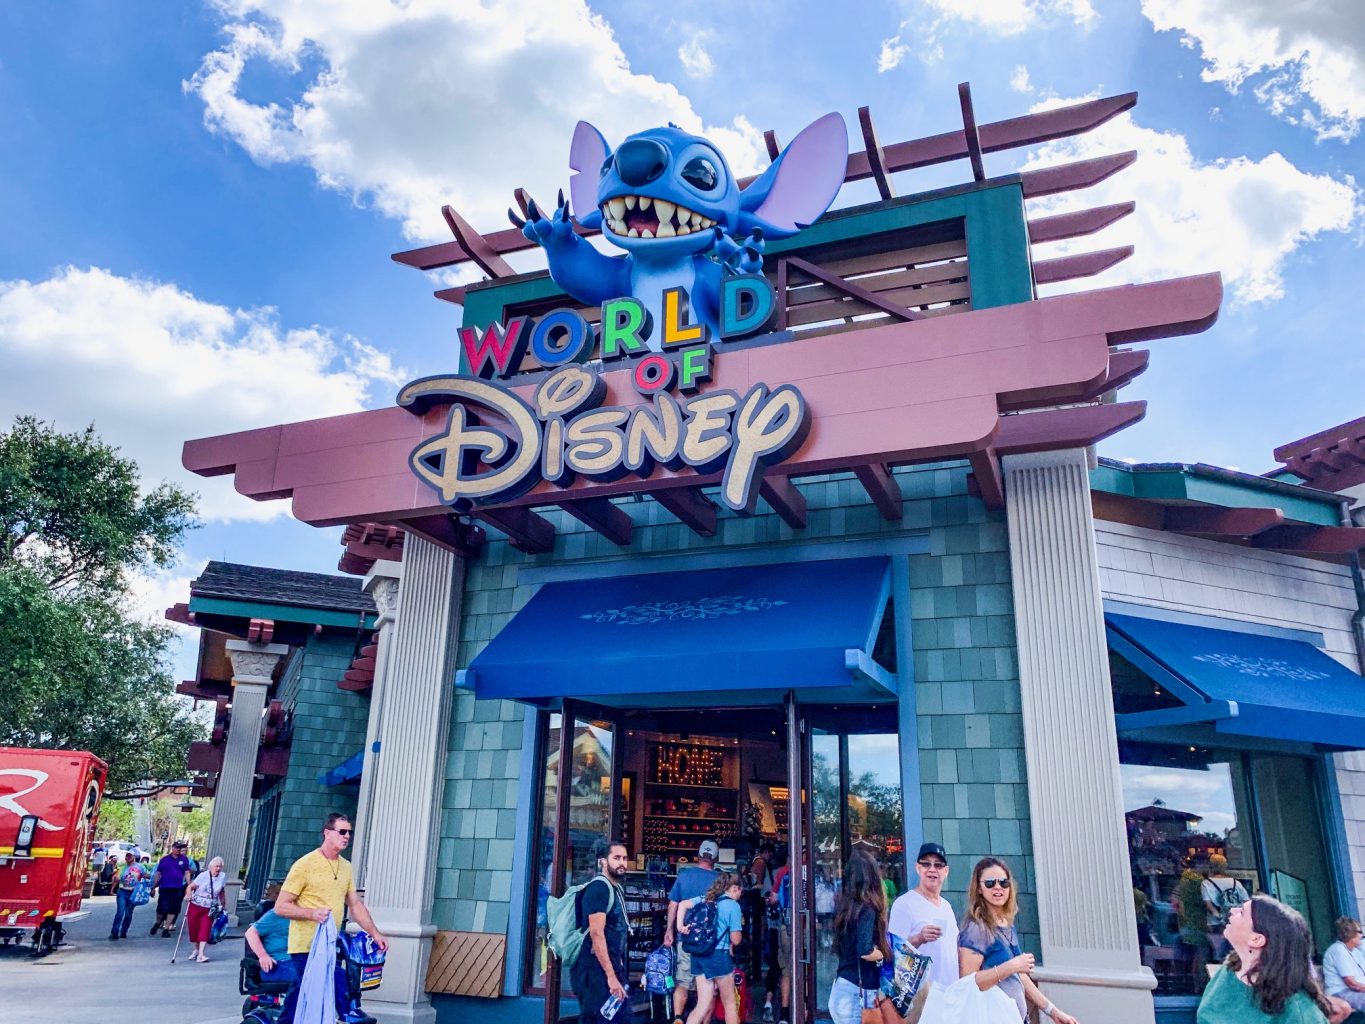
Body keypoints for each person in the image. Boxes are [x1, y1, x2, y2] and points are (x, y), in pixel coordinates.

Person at [273, 812, 388, 1024]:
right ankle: (348, 1012)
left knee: (301, 993)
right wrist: (311, 913)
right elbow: (281, 906)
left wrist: (375, 933)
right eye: (342, 831)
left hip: (328, 944)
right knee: (333, 979)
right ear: (327, 833)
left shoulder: (346, 867)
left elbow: (355, 905)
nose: (346, 836)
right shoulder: (305, 864)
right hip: (305, 945)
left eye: (349, 833)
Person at [958, 857, 1078, 1024]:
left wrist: (1052, 1011)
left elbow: (1020, 976)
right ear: (979, 888)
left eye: (1004, 883)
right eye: (990, 883)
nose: (998, 888)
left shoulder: (1006, 924)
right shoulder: (976, 929)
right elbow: (968, 984)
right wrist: (1011, 966)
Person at [1197, 895, 1330, 1023]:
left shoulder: (1300, 1013)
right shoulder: (1230, 968)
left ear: (1256, 939)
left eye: (1242, 913)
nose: (1232, 910)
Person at [572, 837, 633, 1024]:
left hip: (610, 965)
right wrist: (611, 977)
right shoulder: (599, 888)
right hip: (593, 969)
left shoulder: (616, 889)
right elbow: (596, 934)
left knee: (618, 1018)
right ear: (603, 862)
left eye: (624, 858)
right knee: (601, 1018)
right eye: (617, 858)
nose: (622, 863)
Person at [827, 850, 891, 1024]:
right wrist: (883, 954)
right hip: (857, 993)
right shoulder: (868, 908)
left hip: (842, 987)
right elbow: (865, 949)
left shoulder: (845, 907)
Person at [888, 841, 960, 991]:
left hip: (950, 993)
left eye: (938, 865)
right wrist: (919, 938)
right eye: (926, 864)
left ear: (946, 871)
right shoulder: (904, 904)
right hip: (921, 997)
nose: (932, 870)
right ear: (918, 868)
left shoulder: (946, 906)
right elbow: (892, 952)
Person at [665, 840, 720, 1024]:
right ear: (715, 858)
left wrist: (669, 931)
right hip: (711, 943)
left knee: (682, 982)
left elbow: (673, 905)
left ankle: (679, 1018)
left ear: (698, 856)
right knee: (708, 986)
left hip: (686, 938)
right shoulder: (721, 880)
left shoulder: (685, 875)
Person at [677, 872, 744, 1024]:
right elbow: (736, 939)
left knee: (702, 1005)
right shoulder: (733, 906)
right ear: (734, 888)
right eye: (740, 891)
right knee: (730, 1003)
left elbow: (682, 904)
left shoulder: (706, 899)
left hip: (699, 955)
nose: (740, 895)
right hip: (719, 956)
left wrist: (680, 926)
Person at [1202, 854, 1249, 959]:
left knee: (1219, 953)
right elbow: (1246, 902)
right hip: (1235, 922)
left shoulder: (1206, 883)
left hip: (1216, 923)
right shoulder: (1235, 883)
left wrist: (1219, 916)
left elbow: (1208, 904)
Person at [185, 856, 227, 962]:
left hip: (210, 907)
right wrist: (189, 895)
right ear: (211, 866)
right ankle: (196, 949)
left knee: (205, 928)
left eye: (220, 866)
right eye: (216, 866)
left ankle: (201, 954)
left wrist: (224, 904)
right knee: (194, 929)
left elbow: (221, 891)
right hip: (196, 905)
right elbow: (190, 887)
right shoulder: (203, 876)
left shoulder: (222, 876)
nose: (218, 868)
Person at [150, 839, 193, 937]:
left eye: (180, 848)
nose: (179, 850)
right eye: (177, 847)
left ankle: (166, 928)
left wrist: (189, 884)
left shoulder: (184, 859)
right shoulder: (165, 860)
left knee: (173, 909)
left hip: (177, 888)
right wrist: (153, 886)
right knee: (162, 908)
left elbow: (187, 872)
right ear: (173, 848)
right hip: (165, 887)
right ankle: (158, 923)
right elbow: (158, 873)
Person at [1323, 917, 1365, 1013]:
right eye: (1360, 932)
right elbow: (1351, 983)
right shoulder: (1338, 950)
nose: (1362, 935)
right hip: (1340, 992)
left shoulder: (1355, 950)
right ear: (1351, 933)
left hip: (1355, 991)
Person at [108, 851, 151, 941]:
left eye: (129, 856)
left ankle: (124, 931)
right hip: (122, 891)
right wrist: (115, 879)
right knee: (120, 911)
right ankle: (114, 932)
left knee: (128, 913)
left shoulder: (141, 867)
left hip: (133, 893)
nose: (127, 858)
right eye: (126, 856)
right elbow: (116, 878)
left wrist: (149, 879)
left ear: (134, 857)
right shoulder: (123, 868)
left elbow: (147, 875)